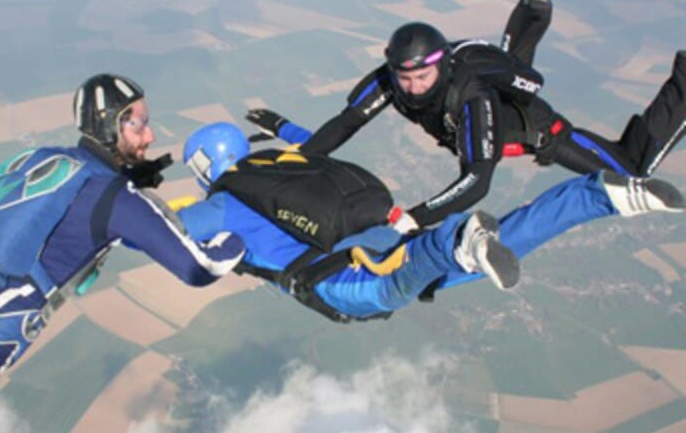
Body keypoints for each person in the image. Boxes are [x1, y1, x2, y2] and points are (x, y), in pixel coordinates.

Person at [0, 74, 245, 433]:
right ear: (110, 125)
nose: (150, 136)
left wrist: (127, 183)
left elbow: (78, 219)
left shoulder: (52, 159)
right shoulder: (116, 198)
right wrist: (241, 235)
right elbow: (199, 267)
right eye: (137, 123)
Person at [246, 0, 686, 229]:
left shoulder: (471, 96)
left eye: (424, 77)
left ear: (443, 64)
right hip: (491, 100)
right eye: (406, 78)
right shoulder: (391, 78)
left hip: (541, 129)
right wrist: (297, 155)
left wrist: (414, 218)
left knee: (633, 171)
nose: (414, 88)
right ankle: (519, 41)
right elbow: (347, 123)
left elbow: (477, 180)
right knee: (509, 80)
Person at [176, 122, 684, 323]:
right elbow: (315, 143)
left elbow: (162, 230)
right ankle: (597, 196)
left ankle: (456, 238)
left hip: (340, 273)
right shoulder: (279, 164)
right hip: (379, 236)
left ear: (204, 166)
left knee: (381, 293)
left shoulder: (224, 203)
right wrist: (278, 125)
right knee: (493, 247)